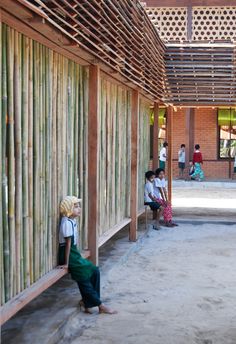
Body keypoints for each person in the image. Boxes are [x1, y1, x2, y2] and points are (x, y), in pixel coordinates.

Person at [59, 196, 117, 315]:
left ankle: (87, 302)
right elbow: (68, 244)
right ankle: (100, 305)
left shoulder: (72, 221)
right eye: (75, 207)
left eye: (78, 206)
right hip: (68, 254)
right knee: (83, 275)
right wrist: (66, 263)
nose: (79, 209)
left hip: (73, 253)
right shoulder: (66, 223)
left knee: (94, 270)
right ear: (68, 209)